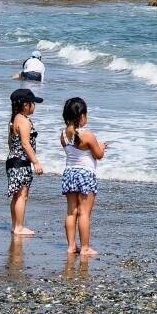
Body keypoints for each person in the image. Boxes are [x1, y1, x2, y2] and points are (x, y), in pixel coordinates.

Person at [60, 96, 107, 256]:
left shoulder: (63, 135)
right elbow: (98, 155)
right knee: (84, 213)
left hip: (69, 173)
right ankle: (85, 247)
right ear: (81, 116)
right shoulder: (87, 135)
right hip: (85, 174)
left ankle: (71, 246)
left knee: (71, 212)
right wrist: (101, 146)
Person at [6, 88, 43, 236]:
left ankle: (15, 225)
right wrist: (35, 162)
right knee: (22, 196)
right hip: (21, 162)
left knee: (16, 195)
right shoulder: (24, 121)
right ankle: (19, 227)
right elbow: (26, 144)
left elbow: (11, 143)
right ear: (26, 105)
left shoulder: (14, 119)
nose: (34, 106)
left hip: (12, 161)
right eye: (33, 103)